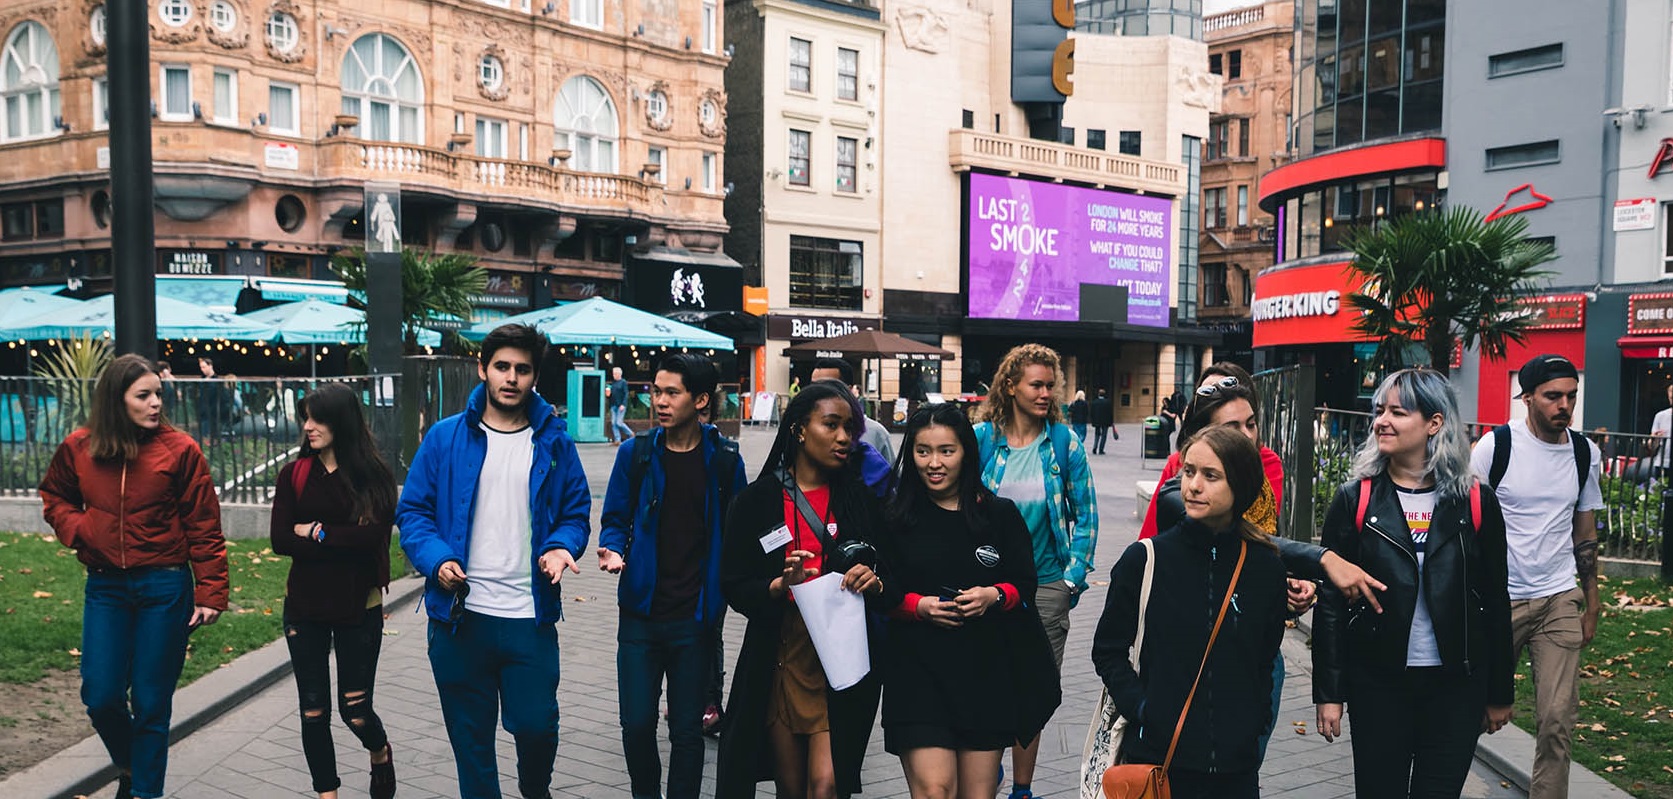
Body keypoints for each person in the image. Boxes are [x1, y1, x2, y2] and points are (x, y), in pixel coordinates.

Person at [396, 323, 592, 799]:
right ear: (483, 369)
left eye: (522, 370)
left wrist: (561, 547)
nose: (511, 378)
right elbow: (414, 512)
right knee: (473, 748)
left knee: (536, 727)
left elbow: (575, 512)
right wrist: (437, 559)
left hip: (530, 616)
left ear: (534, 377)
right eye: (501, 366)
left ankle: (534, 789)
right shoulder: (445, 438)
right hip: (461, 618)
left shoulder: (555, 442)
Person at [1147, 378, 1385, 768]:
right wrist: (1322, 558)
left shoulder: (1259, 483)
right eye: (1231, 428)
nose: (1246, 436)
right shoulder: (1181, 495)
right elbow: (1247, 538)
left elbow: (1261, 559)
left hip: (1255, 659)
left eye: (1251, 424)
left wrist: (1290, 588)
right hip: (1192, 660)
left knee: (1241, 772)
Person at [1315, 368, 1515, 799]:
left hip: (1456, 688)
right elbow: (1330, 604)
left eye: (1398, 412)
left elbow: (1497, 601)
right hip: (1379, 684)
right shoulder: (1356, 499)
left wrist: (1500, 691)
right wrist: (1329, 694)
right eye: (1379, 410)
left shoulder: (1475, 502)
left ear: (1434, 423)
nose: (1382, 420)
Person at [39, 354, 228, 799]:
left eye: (157, 394)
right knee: (101, 695)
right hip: (106, 587)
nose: (155, 403)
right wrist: (81, 529)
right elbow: (54, 496)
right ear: (116, 400)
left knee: (150, 702)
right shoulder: (80, 447)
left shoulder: (180, 450)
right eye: (143, 395)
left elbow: (204, 524)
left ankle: (144, 791)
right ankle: (131, 765)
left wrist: (211, 592)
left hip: (164, 586)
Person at [1090, 426, 1288, 799]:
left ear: (1241, 485)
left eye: (1210, 476)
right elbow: (1108, 650)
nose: (1193, 485)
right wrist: (1143, 709)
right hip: (1160, 760)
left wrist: (1252, 723)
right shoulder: (1145, 560)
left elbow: (1263, 660)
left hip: (1236, 768)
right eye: (1189, 471)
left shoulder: (1265, 568)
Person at [715, 382, 889, 799]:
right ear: (798, 429)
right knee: (791, 788)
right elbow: (734, 584)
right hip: (780, 656)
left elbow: (889, 568)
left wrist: (874, 579)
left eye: (849, 427)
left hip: (840, 659)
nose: (844, 437)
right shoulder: (756, 501)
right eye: (831, 425)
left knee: (827, 785)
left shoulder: (859, 500)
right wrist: (776, 586)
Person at [877, 404, 1059, 799]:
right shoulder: (895, 517)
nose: (934, 463)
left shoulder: (998, 514)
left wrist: (992, 596)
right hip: (917, 674)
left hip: (985, 676)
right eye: (923, 451)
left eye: (947, 450)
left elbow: (1024, 586)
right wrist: (918, 606)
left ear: (966, 453)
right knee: (936, 790)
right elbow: (882, 592)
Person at [598, 354, 748, 799]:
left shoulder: (723, 461)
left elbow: (739, 530)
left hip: (695, 620)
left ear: (700, 400)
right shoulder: (636, 454)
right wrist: (611, 549)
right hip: (641, 615)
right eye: (655, 392)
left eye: (670, 393)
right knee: (636, 724)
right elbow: (614, 517)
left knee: (686, 732)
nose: (659, 401)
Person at [1468, 355, 1602, 799]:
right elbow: (1464, 520)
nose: (1564, 405)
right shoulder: (1495, 447)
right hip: (1499, 600)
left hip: (1558, 597)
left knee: (1557, 721)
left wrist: (1592, 598)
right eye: (1552, 396)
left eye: (1571, 396)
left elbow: (1584, 530)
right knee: (1472, 711)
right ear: (1526, 398)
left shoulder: (1584, 453)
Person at [971, 343, 1097, 799]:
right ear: (1010, 386)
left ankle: (1021, 788)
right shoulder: (983, 439)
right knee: (988, 682)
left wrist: (1071, 579)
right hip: (984, 585)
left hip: (1045, 586)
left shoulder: (1064, 443)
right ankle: (989, 768)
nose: (1046, 393)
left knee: (1034, 688)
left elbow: (1086, 515)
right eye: (1036, 385)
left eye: (1051, 385)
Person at [270, 383, 399, 799]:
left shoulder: (372, 476)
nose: (308, 426)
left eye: (317, 418)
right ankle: (327, 793)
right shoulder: (294, 475)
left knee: (355, 711)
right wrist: (340, 537)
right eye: (305, 417)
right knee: (313, 712)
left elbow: (373, 538)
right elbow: (279, 540)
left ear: (340, 422)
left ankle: (379, 752)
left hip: (358, 607)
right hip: (304, 607)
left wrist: (315, 531)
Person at [811, 357, 896, 466]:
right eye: (813, 386)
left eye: (826, 386)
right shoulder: (803, 428)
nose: (815, 393)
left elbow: (891, 478)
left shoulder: (875, 433)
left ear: (848, 389)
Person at [196, 356, 230, 444]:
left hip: (213, 415)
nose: (202, 369)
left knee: (210, 438)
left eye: (204, 367)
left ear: (210, 366)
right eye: (201, 367)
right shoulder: (202, 381)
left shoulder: (217, 382)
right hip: (204, 414)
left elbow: (223, 398)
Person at [608, 366, 635, 446]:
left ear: (619, 374)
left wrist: (623, 404)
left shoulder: (623, 382)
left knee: (619, 422)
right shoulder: (613, 383)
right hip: (613, 405)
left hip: (621, 405)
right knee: (613, 423)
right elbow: (611, 394)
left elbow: (626, 394)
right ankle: (617, 440)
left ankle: (630, 433)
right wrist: (608, 395)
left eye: (615, 374)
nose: (613, 375)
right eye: (613, 374)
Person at [1649, 383, 1672, 476]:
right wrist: (1655, 439)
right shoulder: (1660, 416)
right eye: (1670, 392)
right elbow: (1652, 446)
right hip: (1663, 463)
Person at [1089, 388, 1114, 455]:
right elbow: (1110, 413)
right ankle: (1101, 449)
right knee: (1104, 435)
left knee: (1097, 435)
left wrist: (1092, 421)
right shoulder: (1108, 402)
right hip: (1105, 422)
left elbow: (1092, 413)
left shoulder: (1094, 402)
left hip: (1097, 421)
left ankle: (1095, 447)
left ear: (1098, 394)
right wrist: (1111, 422)